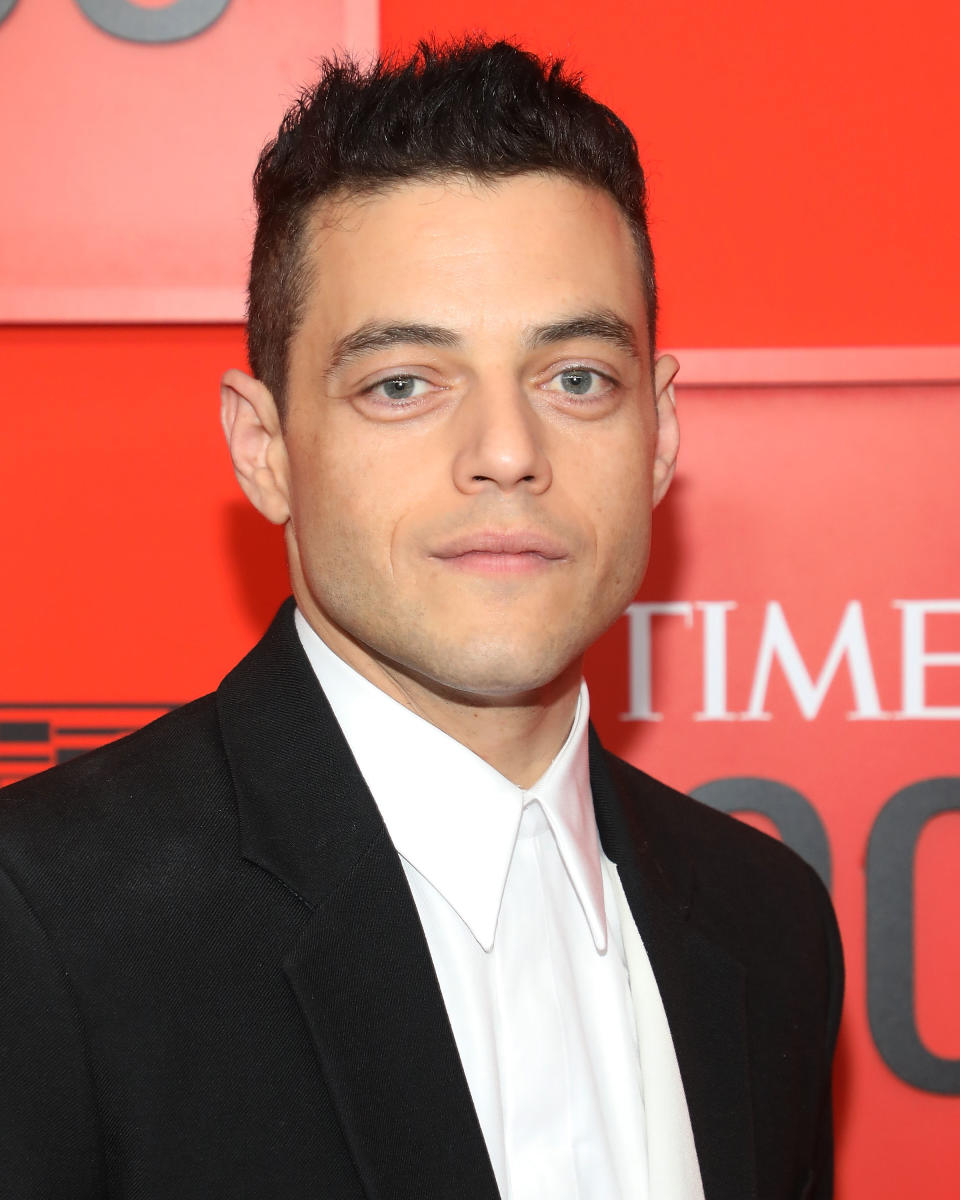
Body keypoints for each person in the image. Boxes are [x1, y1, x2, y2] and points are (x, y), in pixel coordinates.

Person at [0, 38, 842, 1200]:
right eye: (402, 383)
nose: (506, 453)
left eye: (577, 378)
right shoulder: (43, 926)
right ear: (265, 449)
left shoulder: (770, 928)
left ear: (660, 431)